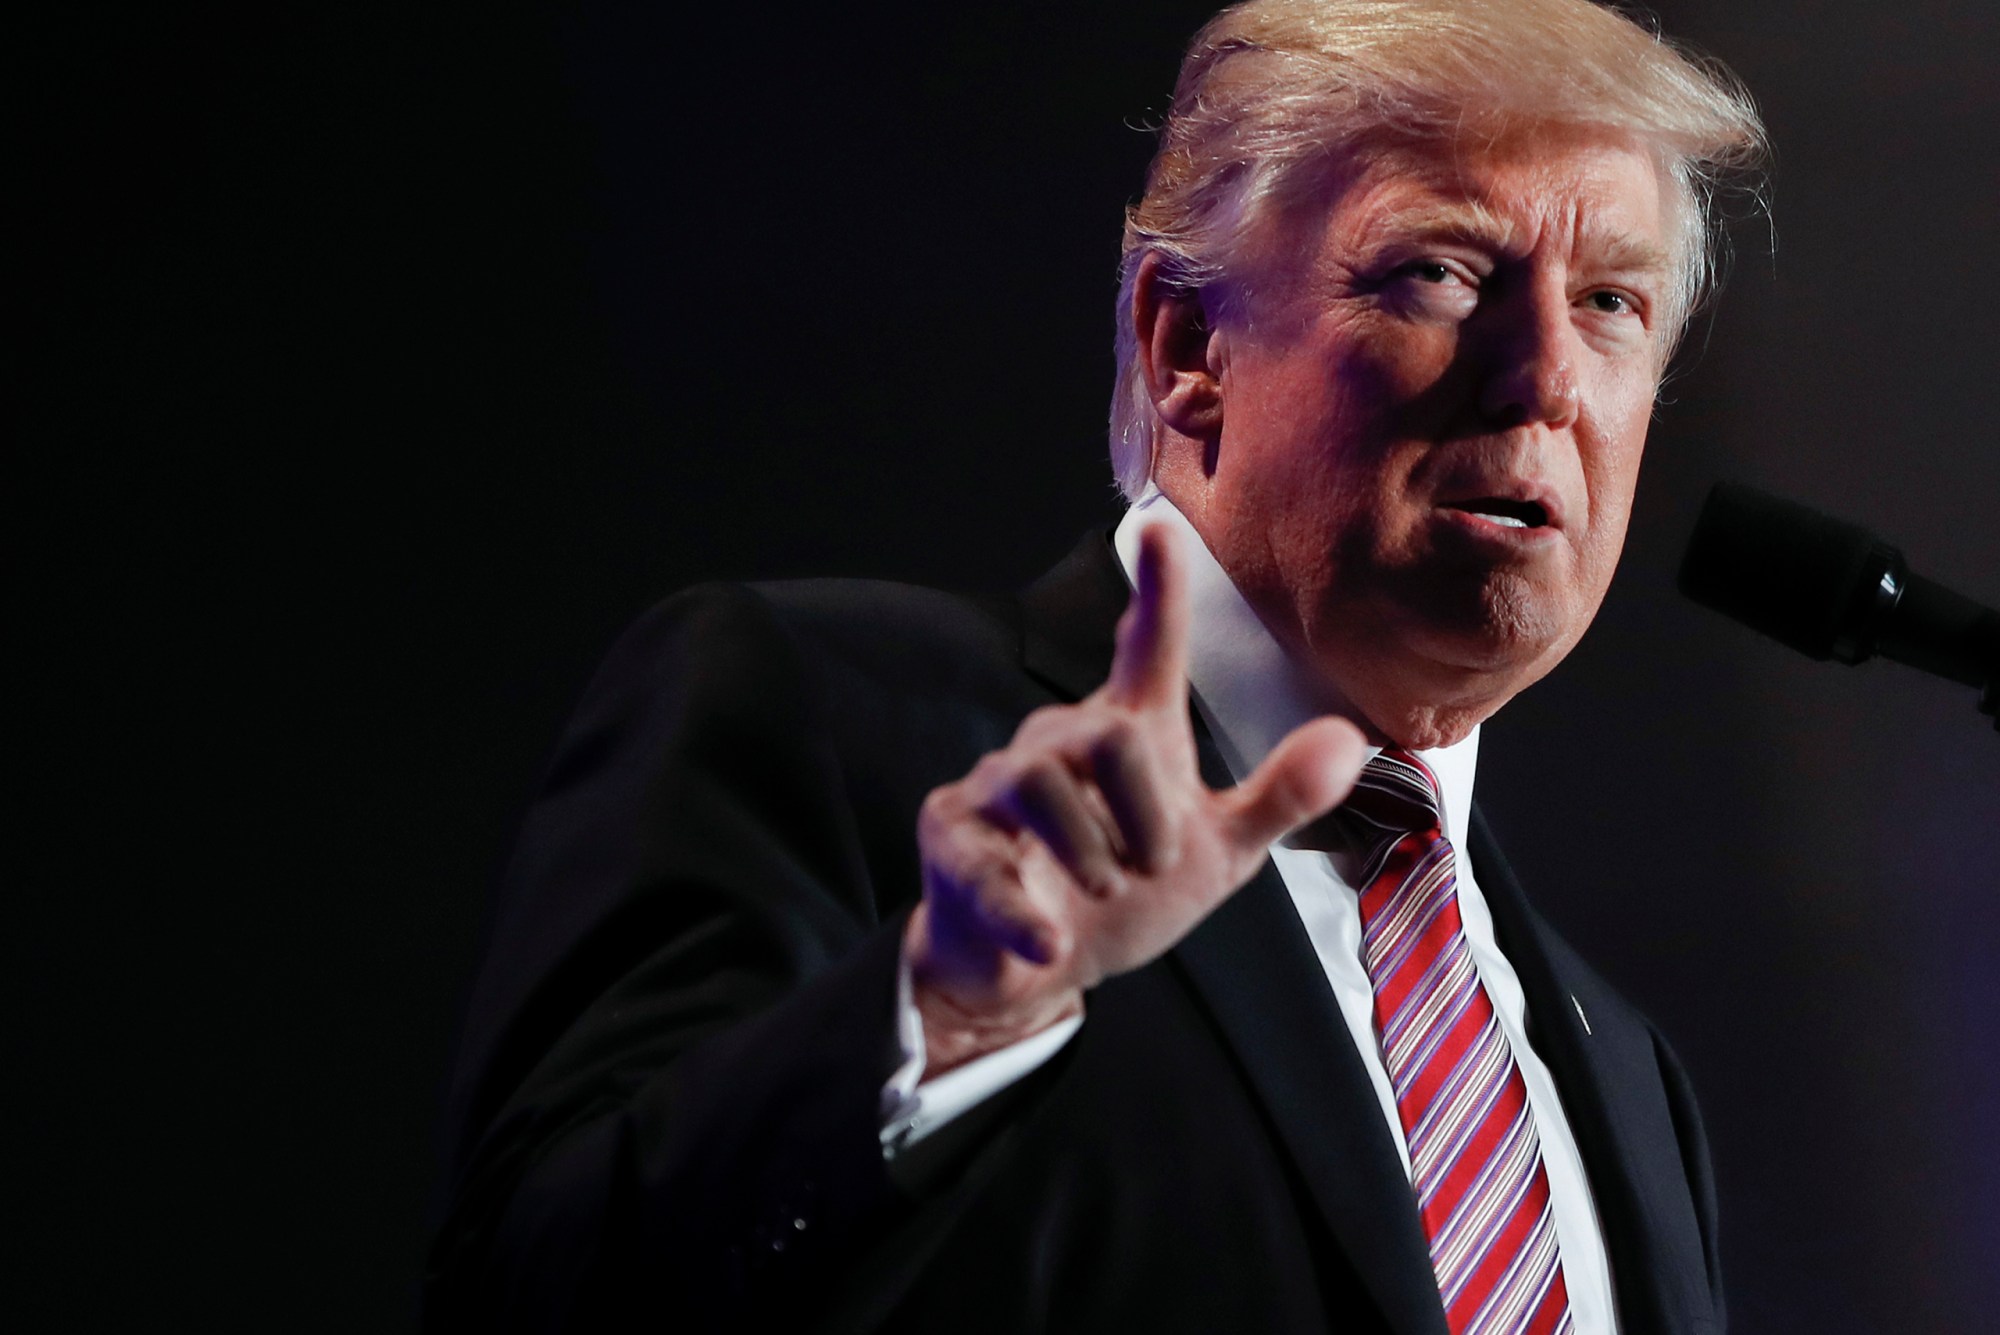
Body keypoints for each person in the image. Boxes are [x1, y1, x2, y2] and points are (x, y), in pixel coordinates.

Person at [425, 1, 1766, 1331]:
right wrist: (946, 1008)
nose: (1545, 377)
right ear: (1189, 349)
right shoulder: (833, 722)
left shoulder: (1630, 1080)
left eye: (1610, 302)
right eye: (1440, 270)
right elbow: (528, 1299)